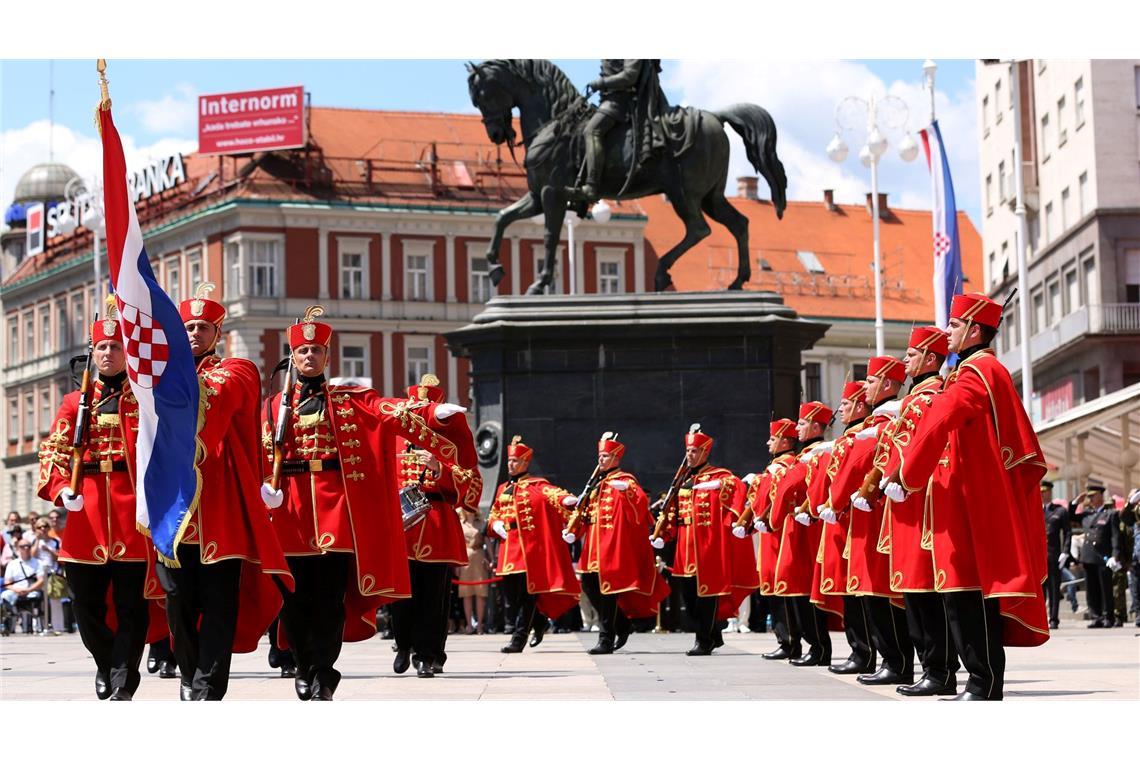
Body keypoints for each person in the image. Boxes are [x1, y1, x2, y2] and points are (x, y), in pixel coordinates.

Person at [260, 309, 472, 695]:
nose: (309, 357)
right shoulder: (274, 407)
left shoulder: (349, 399)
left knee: (328, 598)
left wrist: (432, 413)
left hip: (334, 509)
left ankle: (323, 671)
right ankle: (303, 666)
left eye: (316, 351)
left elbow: (389, 410)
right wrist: (263, 486)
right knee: (294, 599)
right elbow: (257, 451)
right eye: (303, 351)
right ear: (293, 357)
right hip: (289, 510)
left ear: (327, 357)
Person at [883, 292, 1049, 700]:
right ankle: (977, 680)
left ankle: (984, 682)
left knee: (969, 595)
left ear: (975, 329)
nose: (948, 332)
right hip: (967, 498)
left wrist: (907, 473)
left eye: (955, 325)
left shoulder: (977, 371)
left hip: (976, 500)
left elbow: (942, 418)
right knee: (961, 595)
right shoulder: (975, 370)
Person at [157, 283, 293, 701]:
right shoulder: (156, 375)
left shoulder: (237, 370)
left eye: (202, 328)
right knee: (178, 601)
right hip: (171, 511)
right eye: (187, 328)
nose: (194, 334)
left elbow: (211, 404)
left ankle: (208, 685)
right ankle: (187, 672)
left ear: (219, 333)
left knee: (219, 603)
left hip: (220, 510)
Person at [35, 306, 169, 699]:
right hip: (85, 513)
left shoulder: (146, 401)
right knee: (86, 604)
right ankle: (105, 661)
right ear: (92, 352)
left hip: (131, 515)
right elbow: (53, 451)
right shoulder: (74, 401)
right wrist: (61, 490)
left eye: (115, 346)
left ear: (128, 352)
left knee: (131, 605)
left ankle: (125, 675)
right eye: (102, 347)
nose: (108, 353)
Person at [857, 326, 960, 697]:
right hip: (902, 503)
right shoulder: (915, 399)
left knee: (925, 590)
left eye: (912, 355)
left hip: (921, 502)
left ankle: (940, 669)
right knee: (911, 591)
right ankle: (925, 667)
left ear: (930, 359)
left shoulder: (932, 395)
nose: (907, 362)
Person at [389, 373, 482, 678]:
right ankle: (402, 644)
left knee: (434, 596)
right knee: (401, 593)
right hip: (402, 523)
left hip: (437, 520)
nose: (422, 409)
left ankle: (428, 654)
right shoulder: (396, 437)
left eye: (428, 404)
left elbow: (470, 483)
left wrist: (440, 468)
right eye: (418, 404)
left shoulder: (451, 440)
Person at [832, 357, 914, 687]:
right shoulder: (870, 427)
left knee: (881, 593)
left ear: (889, 385)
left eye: (870, 381)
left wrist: (835, 500)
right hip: (863, 518)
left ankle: (896, 662)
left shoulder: (884, 423)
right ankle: (884, 658)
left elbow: (858, 467)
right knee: (868, 593)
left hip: (878, 517)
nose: (866, 387)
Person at [562, 432, 669, 654]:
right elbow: (587, 512)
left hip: (611, 546)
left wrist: (626, 491)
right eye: (600, 455)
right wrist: (574, 530)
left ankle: (606, 638)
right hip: (593, 545)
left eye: (605, 455)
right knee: (589, 586)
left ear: (616, 458)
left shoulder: (626, 480)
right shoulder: (596, 483)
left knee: (607, 591)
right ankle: (621, 624)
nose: (600, 459)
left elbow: (640, 503)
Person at [655, 424, 756, 656]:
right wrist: (665, 532)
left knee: (706, 593)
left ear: (705, 453)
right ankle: (713, 635)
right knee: (689, 595)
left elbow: (736, 485)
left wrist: (720, 485)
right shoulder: (683, 478)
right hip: (685, 543)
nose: (689, 455)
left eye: (694, 451)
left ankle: (704, 640)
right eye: (688, 451)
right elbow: (674, 509)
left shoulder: (718, 475)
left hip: (706, 542)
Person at [487, 436, 581, 653]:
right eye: (509, 461)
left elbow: (554, 494)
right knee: (511, 595)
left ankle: (518, 639)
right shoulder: (502, 488)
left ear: (525, 463)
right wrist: (496, 524)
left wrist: (566, 500)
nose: (511, 464)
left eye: (515, 461)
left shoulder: (537, 485)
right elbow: (493, 515)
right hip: (507, 549)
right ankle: (539, 621)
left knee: (526, 595)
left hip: (527, 549)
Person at [812, 381, 878, 677]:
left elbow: (854, 473)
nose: (840, 411)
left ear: (860, 406)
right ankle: (859, 650)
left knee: (864, 591)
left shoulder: (865, 433)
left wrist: (835, 502)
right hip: (843, 519)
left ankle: (868, 653)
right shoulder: (848, 437)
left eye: (846, 404)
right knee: (851, 590)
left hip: (858, 517)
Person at [765, 403, 835, 667]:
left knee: (806, 588)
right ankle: (812, 645)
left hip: (809, 527)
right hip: (797, 525)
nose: (798, 428)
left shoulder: (818, 453)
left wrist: (774, 516)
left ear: (816, 427)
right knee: (796, 588)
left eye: (803, 423)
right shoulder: (805, 455)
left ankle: (819, 647)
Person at [736, 419, 802, 661]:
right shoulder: (774, 467)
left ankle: (790, 641)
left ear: (785, 441)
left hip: (782, 532)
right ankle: (784, 639)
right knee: (773, 589)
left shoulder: (789, 466)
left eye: (773, 438)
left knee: (783, 589)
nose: (768, 442)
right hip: (770, 534)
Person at [1075, 481, 1121, 628]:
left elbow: (1115, 536)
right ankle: (1096, 617)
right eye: (1089, 497)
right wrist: (1076, 501)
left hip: (1103, 557)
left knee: (1105, 589)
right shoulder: (1086, 515)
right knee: (1091, 589)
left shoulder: (1110, 514)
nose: (1090, 499)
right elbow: (1069, 515)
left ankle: (1108, 617)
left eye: (1093, 496)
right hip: (1088, 556)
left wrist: (1115, 554)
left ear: (1101, 496)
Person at [1041, 480, 1072, 629]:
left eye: (1044, 492)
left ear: (1050, 492)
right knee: (1040, 590)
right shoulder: (1033, 509)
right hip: (1038, 557)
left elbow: (1067, 532)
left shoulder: (1060, 511)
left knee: (1054, 588)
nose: (1041, 495)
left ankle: (1054, 619)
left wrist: (1066, 552)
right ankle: (1040, 619)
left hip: (1054, 555)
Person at [457, 507, 491, 634]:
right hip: (465, 557)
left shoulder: (481, 523)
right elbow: (458, 542)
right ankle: (469, 625)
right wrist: (457, 564)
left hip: (479, 556)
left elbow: (487, 541)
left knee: (481, 593)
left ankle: (480, 625)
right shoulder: (460, 524)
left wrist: (492, 559)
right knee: (466, 593)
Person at [1, 540, 44, 631]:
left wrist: (28, 590)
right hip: (15, 591)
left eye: (28, 546)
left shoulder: (38, 563)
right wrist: (17, 590)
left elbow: (41, 581)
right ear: (18, 548)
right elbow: (7, 583)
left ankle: (33, 626)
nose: (26, 548)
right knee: (4, 596)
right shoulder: (12, 564)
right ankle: (7, 625)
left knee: (36, 596)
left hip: (32, 590)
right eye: (23, 546)